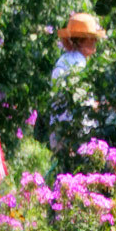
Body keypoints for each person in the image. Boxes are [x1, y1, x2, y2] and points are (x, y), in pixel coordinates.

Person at [47, 13, 106, 150]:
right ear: (82, 40)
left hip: (59, 129)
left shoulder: (63, 60)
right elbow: (82, 102)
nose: (95, 42)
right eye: (92, 39)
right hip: (75, 133)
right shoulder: (79, 64)